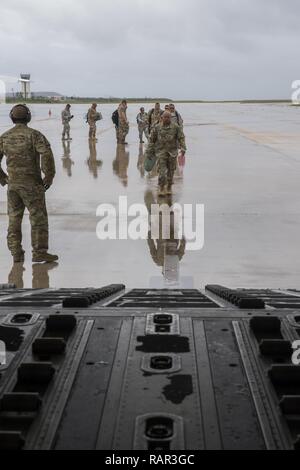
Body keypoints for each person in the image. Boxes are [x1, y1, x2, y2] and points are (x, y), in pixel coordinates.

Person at [0, 104, 58, 263]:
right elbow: (46, 153)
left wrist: (4, 179)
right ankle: (39, 252)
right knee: (38, 219)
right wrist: (49, 175)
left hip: (13, 186)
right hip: (32, 185)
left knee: (14, 219)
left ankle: (16, 252)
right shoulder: (34, 135)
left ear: (12, 117)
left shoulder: (4, 137)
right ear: (28, 117)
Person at [146, 111, 186, 197]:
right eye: (165, 117)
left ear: (170, 118)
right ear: (162, 118)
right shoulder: (157, 128)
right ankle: (161, 188)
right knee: (162, 172)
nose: (167, 119)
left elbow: (181, 137)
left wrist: (183, 148)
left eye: (168, 117)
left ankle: (168, 187)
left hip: (172, 153)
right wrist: (149, 152)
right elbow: (152, 140)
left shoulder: (175, 127)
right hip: (161, 152)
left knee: (171, 172)